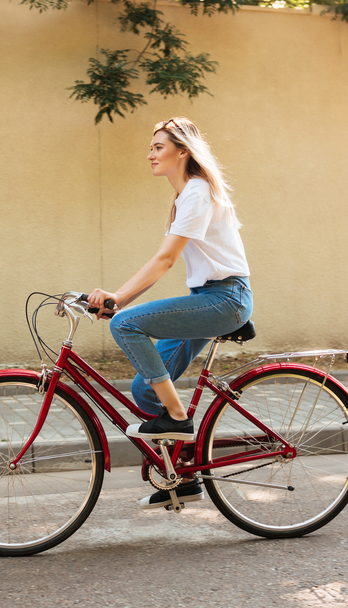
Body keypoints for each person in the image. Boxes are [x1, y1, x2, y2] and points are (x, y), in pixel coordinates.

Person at [87, 116, 252, 509]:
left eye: (158, 147)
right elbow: (169, 261)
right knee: (146, 388)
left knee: (127, 324)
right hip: (209, 297)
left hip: (224, 299)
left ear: (183, 151)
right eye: (152, 147)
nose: (150, 155)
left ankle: (179, 420)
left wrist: (120, 299)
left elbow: (165, 260)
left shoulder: (196, 192)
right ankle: (182, 477)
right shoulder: (186, 197)